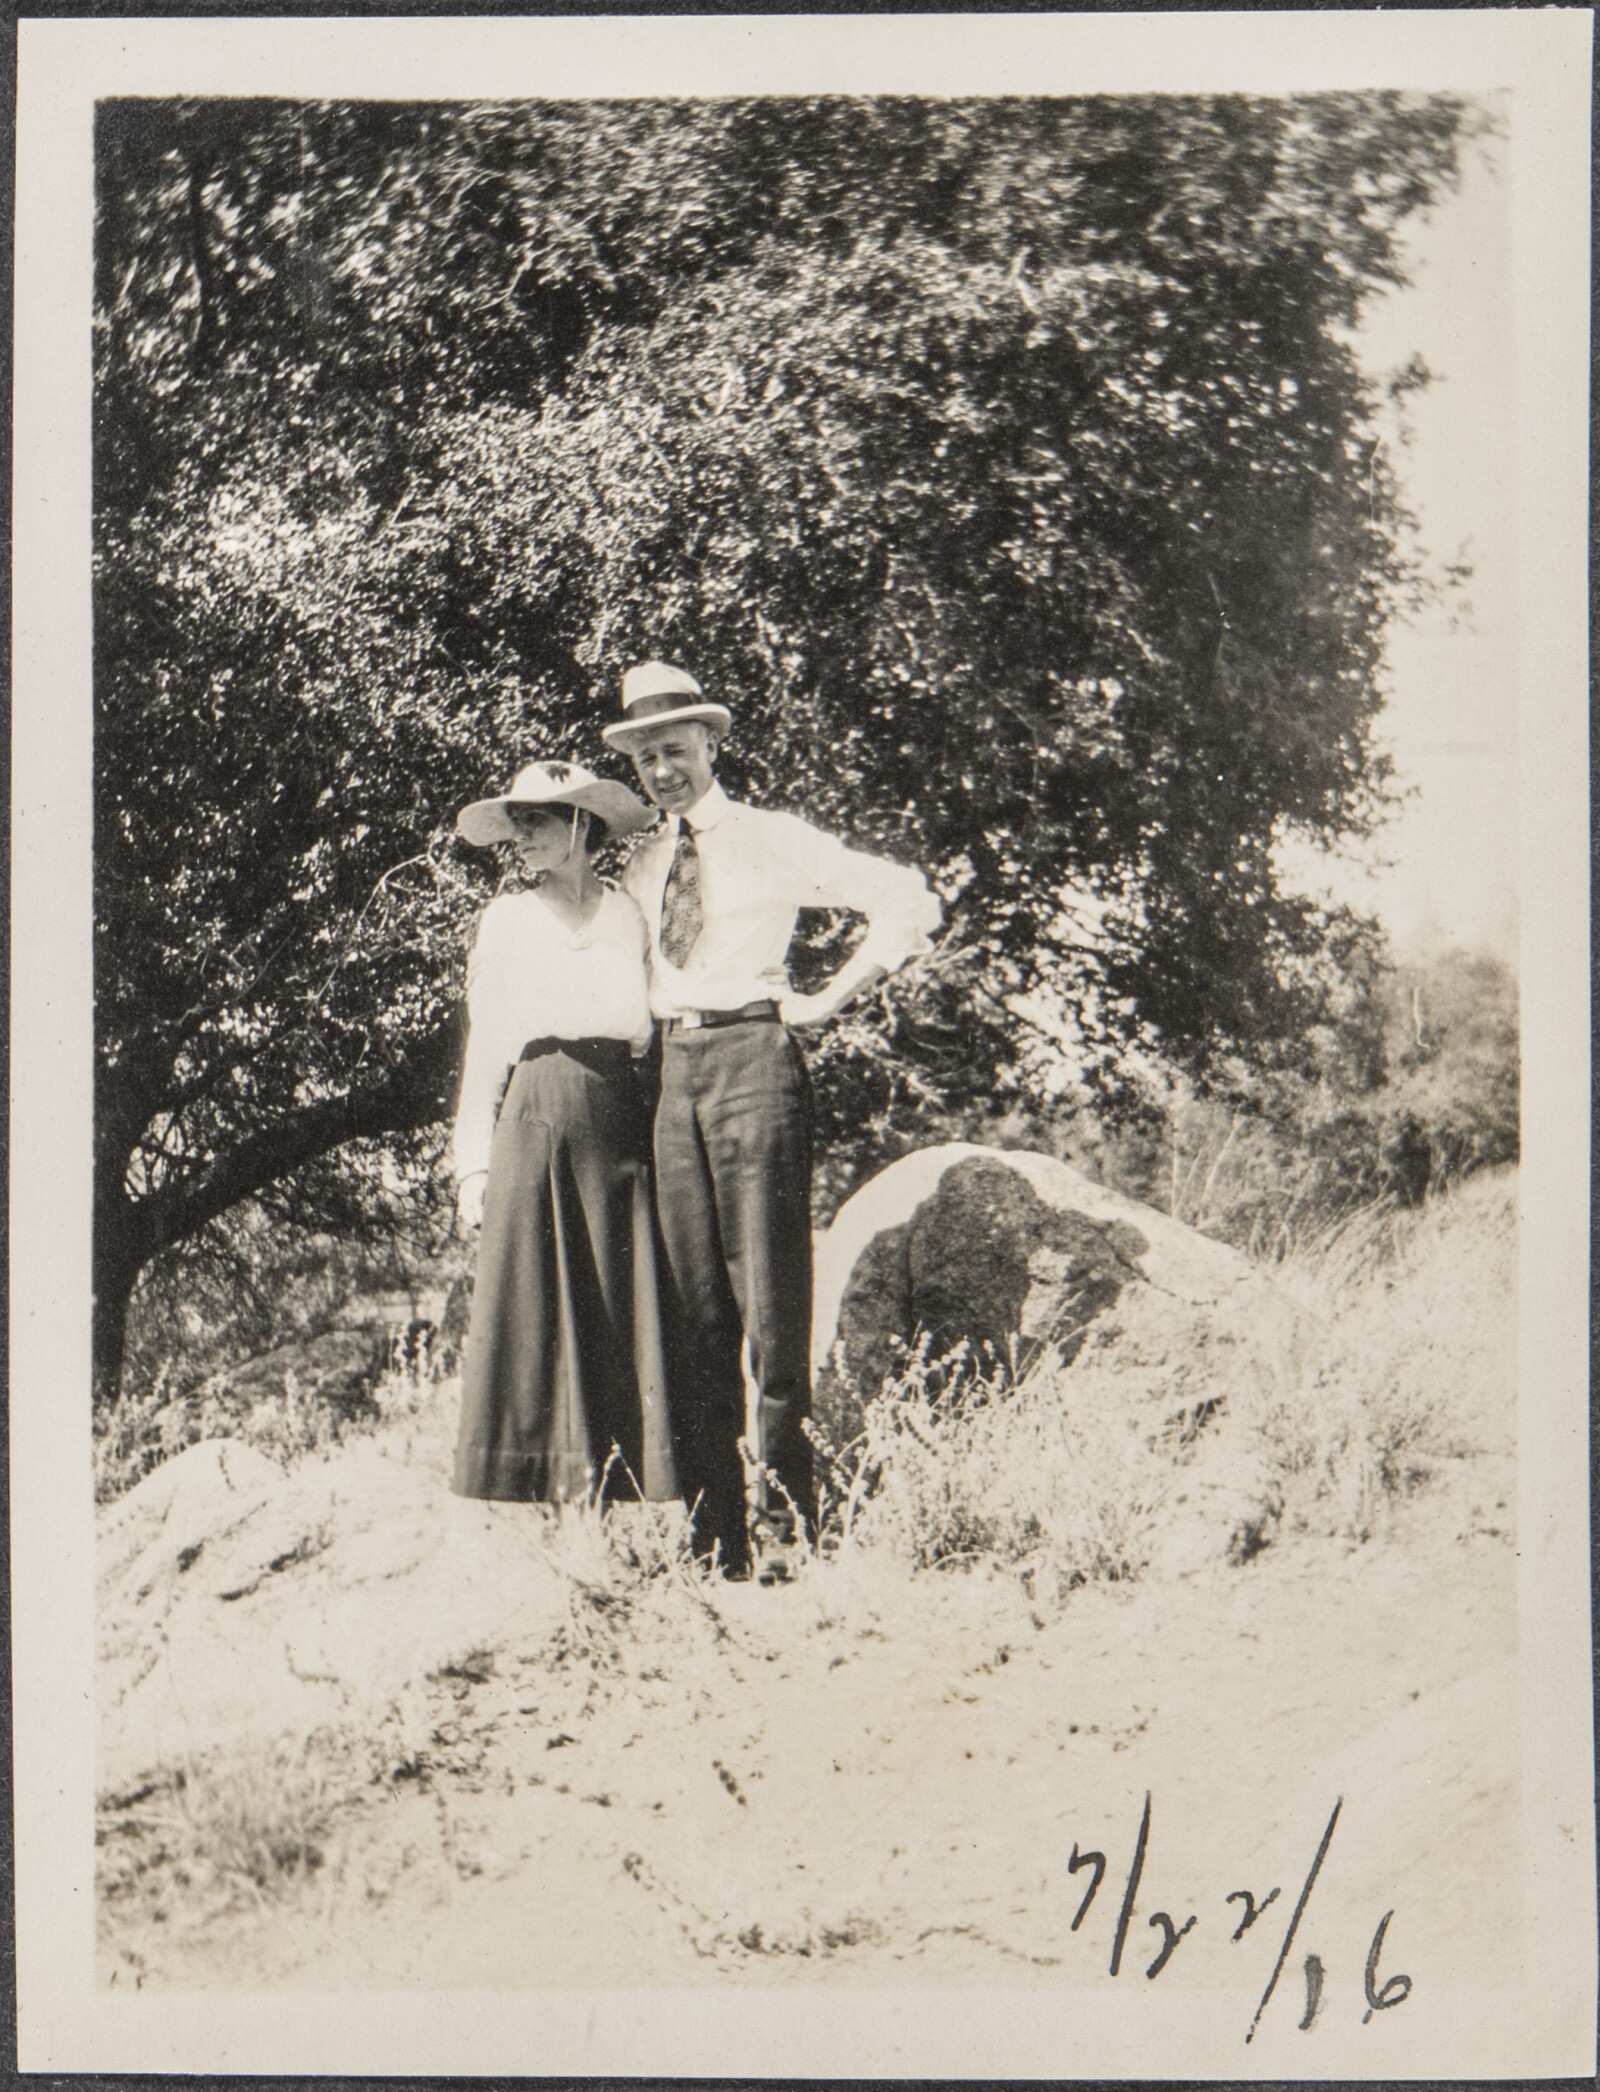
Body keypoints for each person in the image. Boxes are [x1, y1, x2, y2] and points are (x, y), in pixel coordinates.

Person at [604, 661, 941, 1579]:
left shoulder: (769, 838)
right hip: (670, 1073)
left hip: (754, 1058)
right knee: (692, 1311)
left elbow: (908, 898)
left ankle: (794, 1524)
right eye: (647, 759)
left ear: (712, 744)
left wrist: (829, 997)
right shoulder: (638, 858)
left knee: (772, 1306)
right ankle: (719, 1545)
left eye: (677, 750)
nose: (664, 770)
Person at [449, 757, 677, 1507]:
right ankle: (541, 1499)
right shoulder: (507, 920)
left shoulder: (630, 914)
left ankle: (621, 1498)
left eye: (539, 821)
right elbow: (485, 1049)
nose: (523, 837)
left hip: (619, 1121)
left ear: (583, 824)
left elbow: (660, 1023)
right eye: (517, 824)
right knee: (538, 1307)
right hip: (536, 1117)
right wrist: (473, 1167)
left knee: (619, 1302)